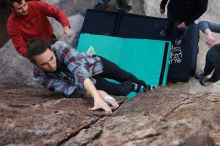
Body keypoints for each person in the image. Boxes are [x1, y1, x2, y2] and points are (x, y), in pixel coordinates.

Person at [26, 39, 151, 113]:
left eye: (51, 58)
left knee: (125, 75)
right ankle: (133, 86)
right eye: (44, 64)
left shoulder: (60, 47)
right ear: (35, 64)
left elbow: (78, 71)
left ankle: (146, 88)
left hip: (95, 64)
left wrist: (96, 95)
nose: (50, 65)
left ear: (51, 50)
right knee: (120, 91)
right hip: (89, 83)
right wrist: (97, 93)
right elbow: (67, 89)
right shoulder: (38, 76)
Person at [7, 0, 73, 57]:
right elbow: (20, 47)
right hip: (36, 49)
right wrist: (33, 56)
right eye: (19, 8)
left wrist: (66, 27)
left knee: (63, 55)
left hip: (50, 38)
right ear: (13, 9)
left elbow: (57, 12)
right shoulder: (12, 24)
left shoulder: (36, 5)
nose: (24, 9)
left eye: (24, 5)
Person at [195, 21, 220, 86]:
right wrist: (209, 34)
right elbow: (203, 23)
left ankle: (211, 80)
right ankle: (205, 73)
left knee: (217, 76)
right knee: (207, 68)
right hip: (212, 55)